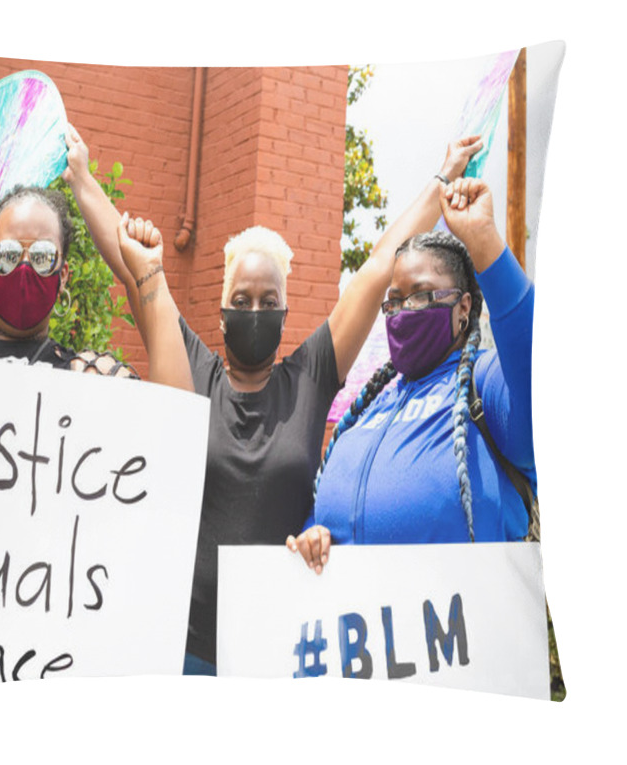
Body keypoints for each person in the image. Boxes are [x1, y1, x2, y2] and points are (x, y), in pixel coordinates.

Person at [63, 124, 483, 673]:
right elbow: (133, 266)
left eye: (269, 300)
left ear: (286, 314)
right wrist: (80, 178)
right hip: (182, 647)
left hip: (279, 645)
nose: (255, 309)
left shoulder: (310, 376)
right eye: (242, 299)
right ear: (221, 312)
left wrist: (442, 177)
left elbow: (379, 267)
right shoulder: (188, 364)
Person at [286, 178, 535, 574]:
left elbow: (537, 373)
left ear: (462, 308)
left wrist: (485, 243)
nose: (403, 311)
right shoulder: (369, 407)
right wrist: (311, 535)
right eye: (395, 301)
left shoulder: (484, 385)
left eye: (420, 295)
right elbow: (324, 515)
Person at [0, 175, 192, 391]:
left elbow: (175, 427)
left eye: (42, 256)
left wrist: (150, 273)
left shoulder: (91, 378)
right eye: (9, 254)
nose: (25, 267)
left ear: (63, 275)